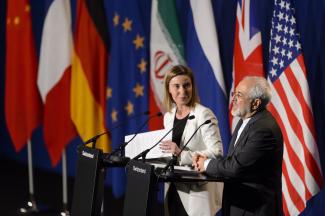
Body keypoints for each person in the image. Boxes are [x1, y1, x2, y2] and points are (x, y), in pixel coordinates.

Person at [192, 76, 283, 216]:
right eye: (234, 93)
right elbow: (234, 160)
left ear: (255, 103)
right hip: (238, 205)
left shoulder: (263, 130)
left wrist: (206, 164)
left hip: (255, 210)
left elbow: (236, 167)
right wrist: (207, 159)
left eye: (239, 95)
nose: (233, 98)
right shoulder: (246, 120)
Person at [159, 65, 223, 216]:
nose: (182, 91)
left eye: (187, 85)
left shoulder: (204, 114)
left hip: (196, 190)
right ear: (169, 89)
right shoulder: (168, 116)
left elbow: (217, 153)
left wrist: (182, 154)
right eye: (177, 86)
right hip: (173, 187)